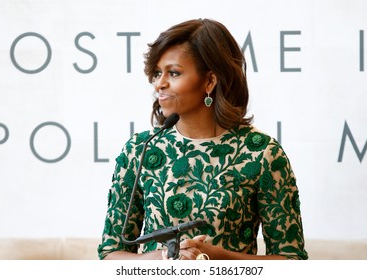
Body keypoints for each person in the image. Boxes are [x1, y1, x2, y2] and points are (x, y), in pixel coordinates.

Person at [97, 18, 308, 260]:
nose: (159, 84)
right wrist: (161, 258)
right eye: (157, 73)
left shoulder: (262, 153)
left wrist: (216, 258)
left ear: (209, 81)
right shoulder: (140, 150)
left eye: (173, 72)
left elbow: (291, 260)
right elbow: (110, 254)